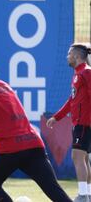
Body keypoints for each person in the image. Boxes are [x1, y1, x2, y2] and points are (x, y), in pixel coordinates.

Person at [0, 52, 72, 202]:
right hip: (33, 144)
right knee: (52, 188)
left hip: (11, 149)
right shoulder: (5, 87)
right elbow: (6, 126)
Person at [46, 43, 91, 202]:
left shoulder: (86, 72)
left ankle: (83, 195)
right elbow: (71, 101)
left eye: (69, 54)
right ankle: (88, 194)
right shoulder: (78, 74)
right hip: (80, 123)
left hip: (84, 123)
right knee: (83, 159)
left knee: (77, 157)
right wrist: (56, 117)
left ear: (77, 56)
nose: (67, 56)